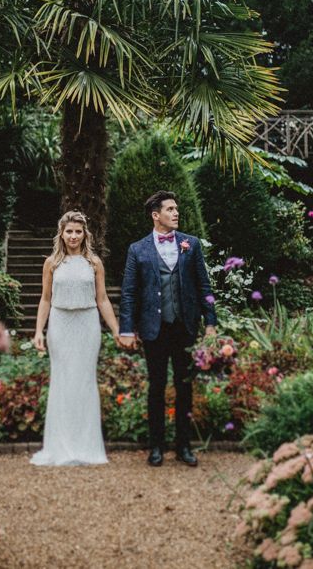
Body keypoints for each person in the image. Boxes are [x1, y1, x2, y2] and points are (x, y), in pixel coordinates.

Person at [118, 190, 217, 467]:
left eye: (176, 209)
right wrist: (127, 328)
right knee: (157, 387)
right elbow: (129, 293)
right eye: (170, 209)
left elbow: (203, 286)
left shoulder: (191, 244)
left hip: (185, 326)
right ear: (156, 215)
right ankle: (156, 447)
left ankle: (184, 446)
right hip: (154, 328)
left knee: (184, 387)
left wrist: (210, 323)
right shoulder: (137, 249)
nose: (176, 213)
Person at [31, 211, 119, 466]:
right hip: (60, 324)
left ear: (85, 234)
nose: (73, 236)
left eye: (78, 231)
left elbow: (102, 299)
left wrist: (115, 329)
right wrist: (39, 331)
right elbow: (45, 299)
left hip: (87, 324)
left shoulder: (94, 263)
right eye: (69, 231)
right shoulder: (51, 263)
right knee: (62, 382)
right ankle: (60, 446)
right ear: (62, 233)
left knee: (84, 383)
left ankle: (86, 446)